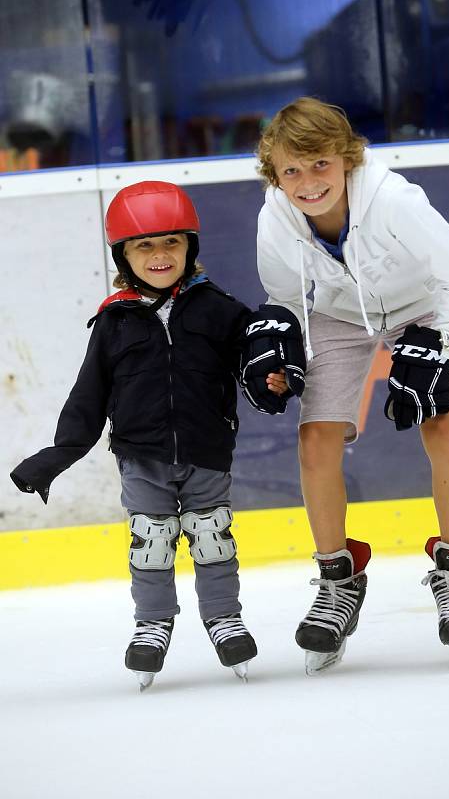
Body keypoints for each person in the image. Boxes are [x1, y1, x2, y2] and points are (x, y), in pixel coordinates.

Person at [10, 180, 305, 690]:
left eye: (172, 241)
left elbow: (255, 370)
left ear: (191, 246)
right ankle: (152, 624)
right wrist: (54, 457)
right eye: (144, 245)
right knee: (153, 542)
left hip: (207, 452)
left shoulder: (220, 310)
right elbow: (88, 397)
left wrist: (275, 383)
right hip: (141, 457)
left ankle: (223, 618)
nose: (160, 254)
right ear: (122, 255)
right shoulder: (114, 322)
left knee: (212, 538)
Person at [256, 97, 449, 674]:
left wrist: (443, 341)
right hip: (338, 313)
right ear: (274, 174)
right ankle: (339, 579)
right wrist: (287, 351)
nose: (308, 183)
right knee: (315, 441)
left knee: (443, 421)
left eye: (320, 165)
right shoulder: (274, 219)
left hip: (421, 308)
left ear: (347, 158)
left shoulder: (393, 201)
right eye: (291, 171)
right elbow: (285, 300)